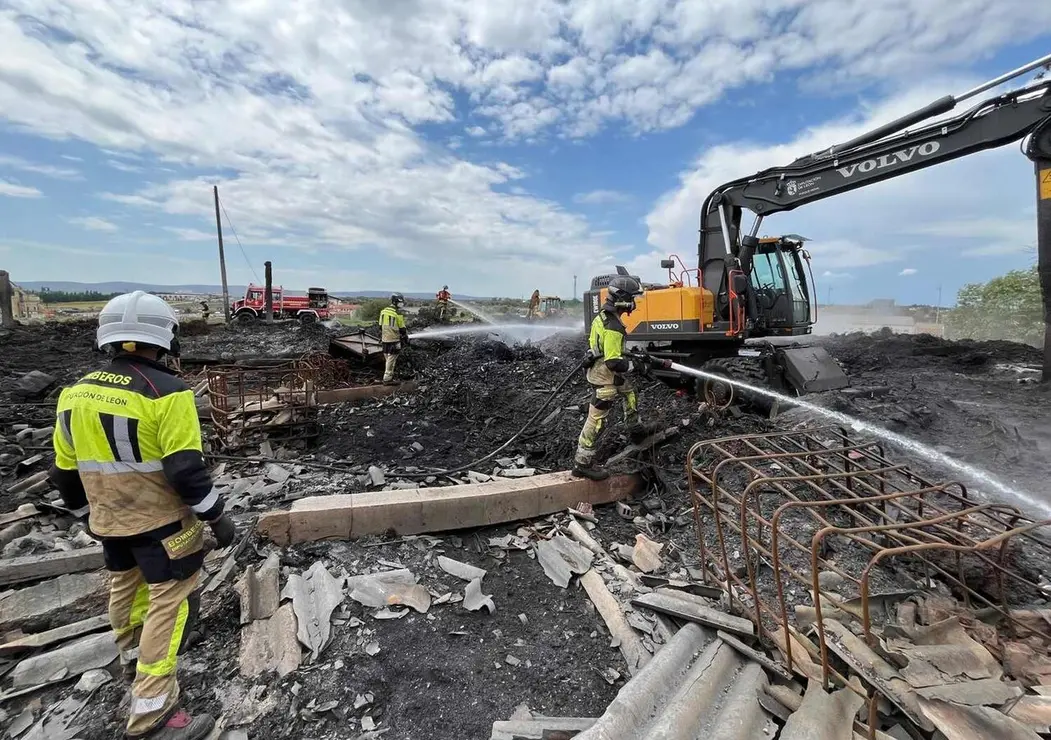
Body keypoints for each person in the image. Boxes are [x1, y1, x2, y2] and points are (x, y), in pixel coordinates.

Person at [48, 291, 234, 740]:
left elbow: (64, 469)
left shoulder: (74, 394)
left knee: (125, 588)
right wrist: (217, 518)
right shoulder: (168, 394)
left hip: (110, 523)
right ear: (165, 336)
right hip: (163, 525)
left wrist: (84, 514)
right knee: (167, 603)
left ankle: (131, 657)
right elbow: (186, 471)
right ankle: (153, 710)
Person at [572, 276, 652, 481]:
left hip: (601, 371)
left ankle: (635, 429)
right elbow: (613, 362)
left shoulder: (603, 317)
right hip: (604, 377)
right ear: (623, 299)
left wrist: (630, 354)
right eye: (633, 298)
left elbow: (606, 349)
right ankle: (582, 463)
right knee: (596, 421)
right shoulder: (614, 327)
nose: (634, 303)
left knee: (629, 391)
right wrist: (636, 366)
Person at [380, 293, 409, 384]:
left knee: (387, 358)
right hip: (394, 340)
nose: (401, 304)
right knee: (392, 358)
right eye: (400, 302)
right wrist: (405, 337)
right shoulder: (397, 313)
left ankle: (389, 374)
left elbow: (380, 326)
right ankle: (387, 378)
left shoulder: (383, 311)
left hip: (385, 339)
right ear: (395, 302)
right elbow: (402, 329)